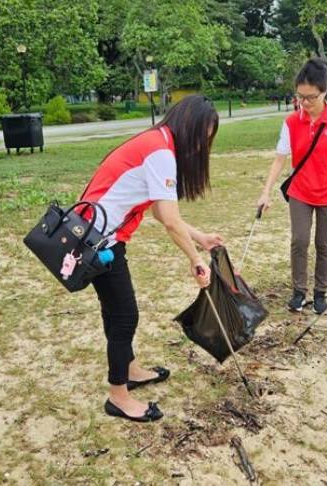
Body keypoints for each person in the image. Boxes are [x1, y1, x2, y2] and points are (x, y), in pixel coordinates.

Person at [80, 95, 223, 422]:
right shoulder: (161, 153)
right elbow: (170, 220)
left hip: (99, 236)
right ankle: (118, 396)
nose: (200, 147)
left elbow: (161, 212)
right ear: (188, 126)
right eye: (201, 137)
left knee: (116, 310)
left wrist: (200, 238)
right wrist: (195, 260)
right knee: (124, 316)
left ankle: (129, 370)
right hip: (98, 239)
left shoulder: (158, 142)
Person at [256, 59, 327, 314]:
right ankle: (299, 291)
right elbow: (280, 158)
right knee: (299, 240)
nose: (305, 103)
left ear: (325, 92)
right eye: (300, 97)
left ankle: (320, 292)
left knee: (324, 244)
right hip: (300, 191)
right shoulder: (291, 122)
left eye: (311, 97)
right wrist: (266, 192)